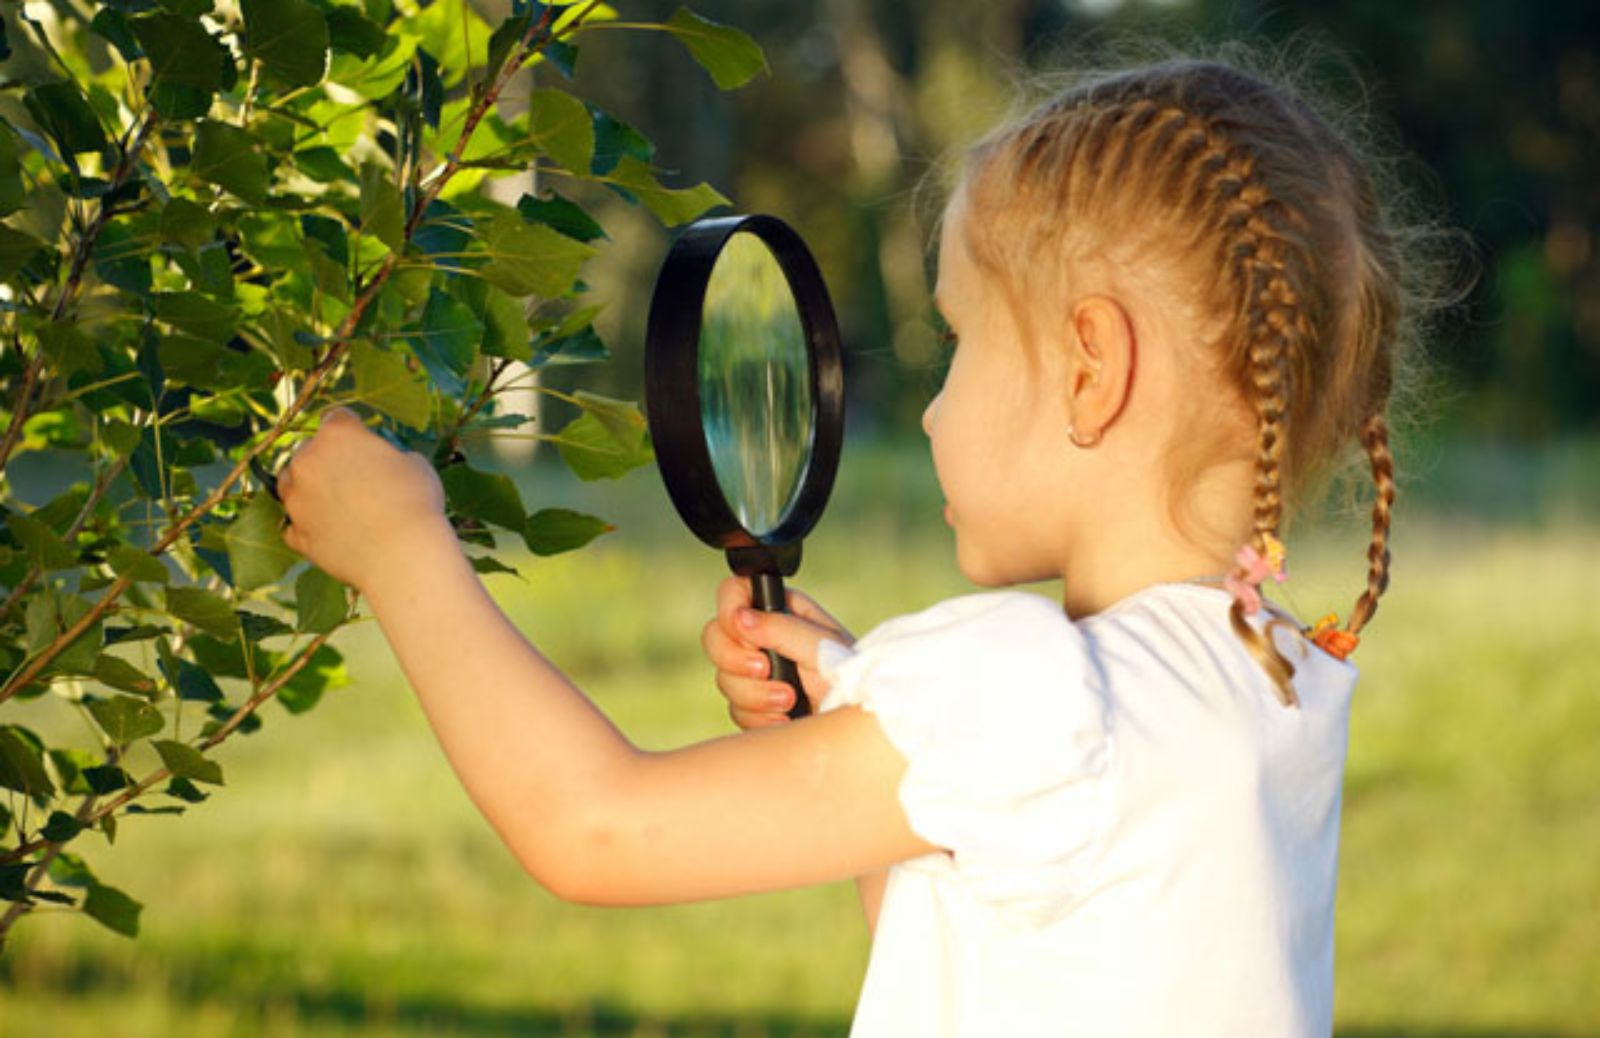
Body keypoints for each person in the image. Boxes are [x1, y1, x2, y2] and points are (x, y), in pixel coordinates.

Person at [279, 56, 1433, 1036]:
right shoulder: (1271, 674)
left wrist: (399, 546)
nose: (930, 409)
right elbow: (985, 939)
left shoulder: (1032, 695)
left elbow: (594, 827)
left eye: (958, 341)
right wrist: (858, 723)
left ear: (1091, 368)